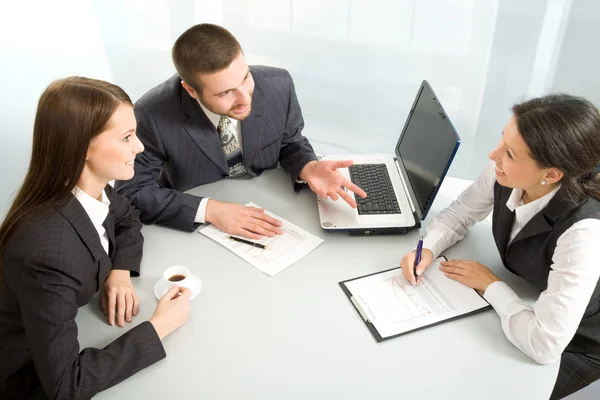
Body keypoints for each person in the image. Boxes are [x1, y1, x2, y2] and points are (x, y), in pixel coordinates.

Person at [0, 77, 191, 399]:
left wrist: (118, 273)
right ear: (83, 147)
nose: (140, 147)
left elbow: (126, 217)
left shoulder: (87, 190)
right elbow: (66, 386)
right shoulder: (48, 253)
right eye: (127, 137)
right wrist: (160, 326)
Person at [400, 94, 600, 399]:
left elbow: (544, 346)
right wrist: (428, 247)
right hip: (533, 300)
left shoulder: (583, 233)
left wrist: (490, 285)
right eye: (502, 141)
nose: (493, 156)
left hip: (582, 340)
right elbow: (460, 213)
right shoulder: (503, 172)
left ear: (550, 175)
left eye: (509, 153)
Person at [115, 23, 366, 238]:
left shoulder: (279, 86)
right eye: (225, 93)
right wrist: (212, 210)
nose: (244, 98)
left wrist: (308, 167)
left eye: (245, 78)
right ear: (191, 91)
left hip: (274, 201)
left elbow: (289, 142)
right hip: (196, 219)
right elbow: (132, 191)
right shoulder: (152, 113)